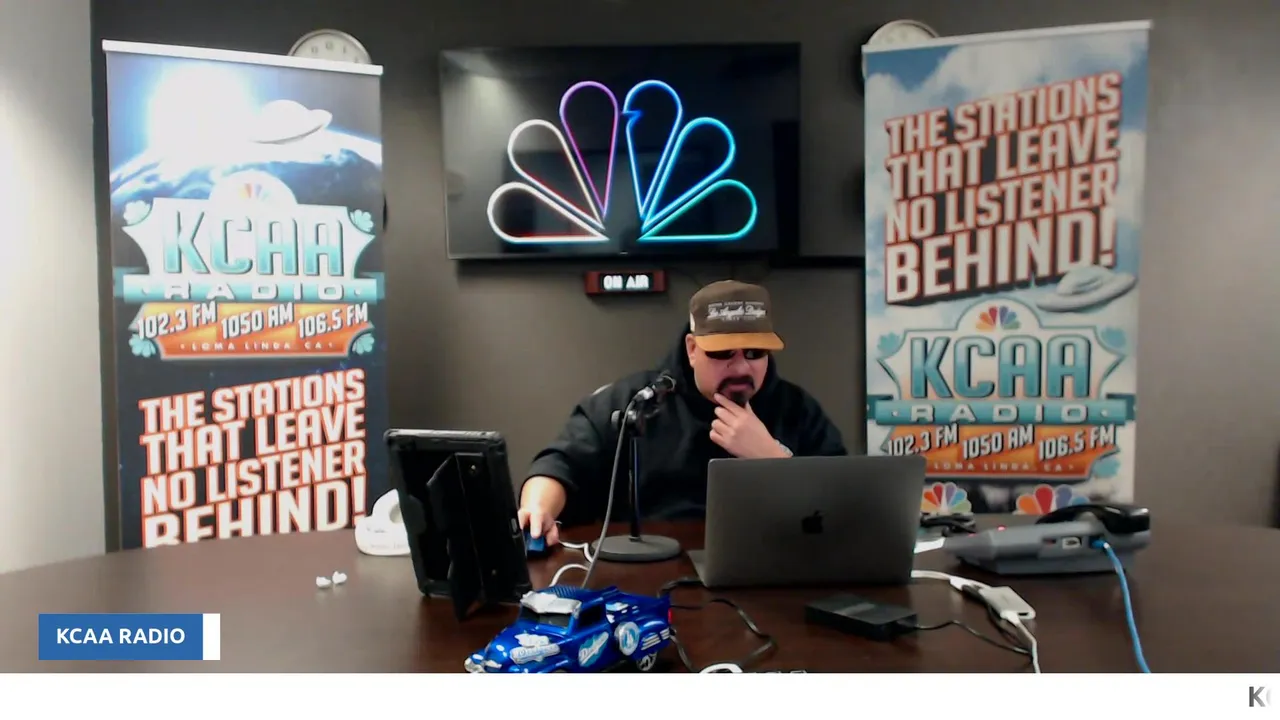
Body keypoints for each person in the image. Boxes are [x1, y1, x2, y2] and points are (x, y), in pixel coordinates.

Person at [518, 280, 847, 545]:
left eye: (754, 353)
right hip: (651, 572)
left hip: (769, 570)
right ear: (692, 349)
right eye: (722, 353)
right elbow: (559, 463)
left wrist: (772, 461)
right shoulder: (635, 401)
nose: (741, 367)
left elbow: (842, 504)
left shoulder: (796, 409)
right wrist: (538, 509)